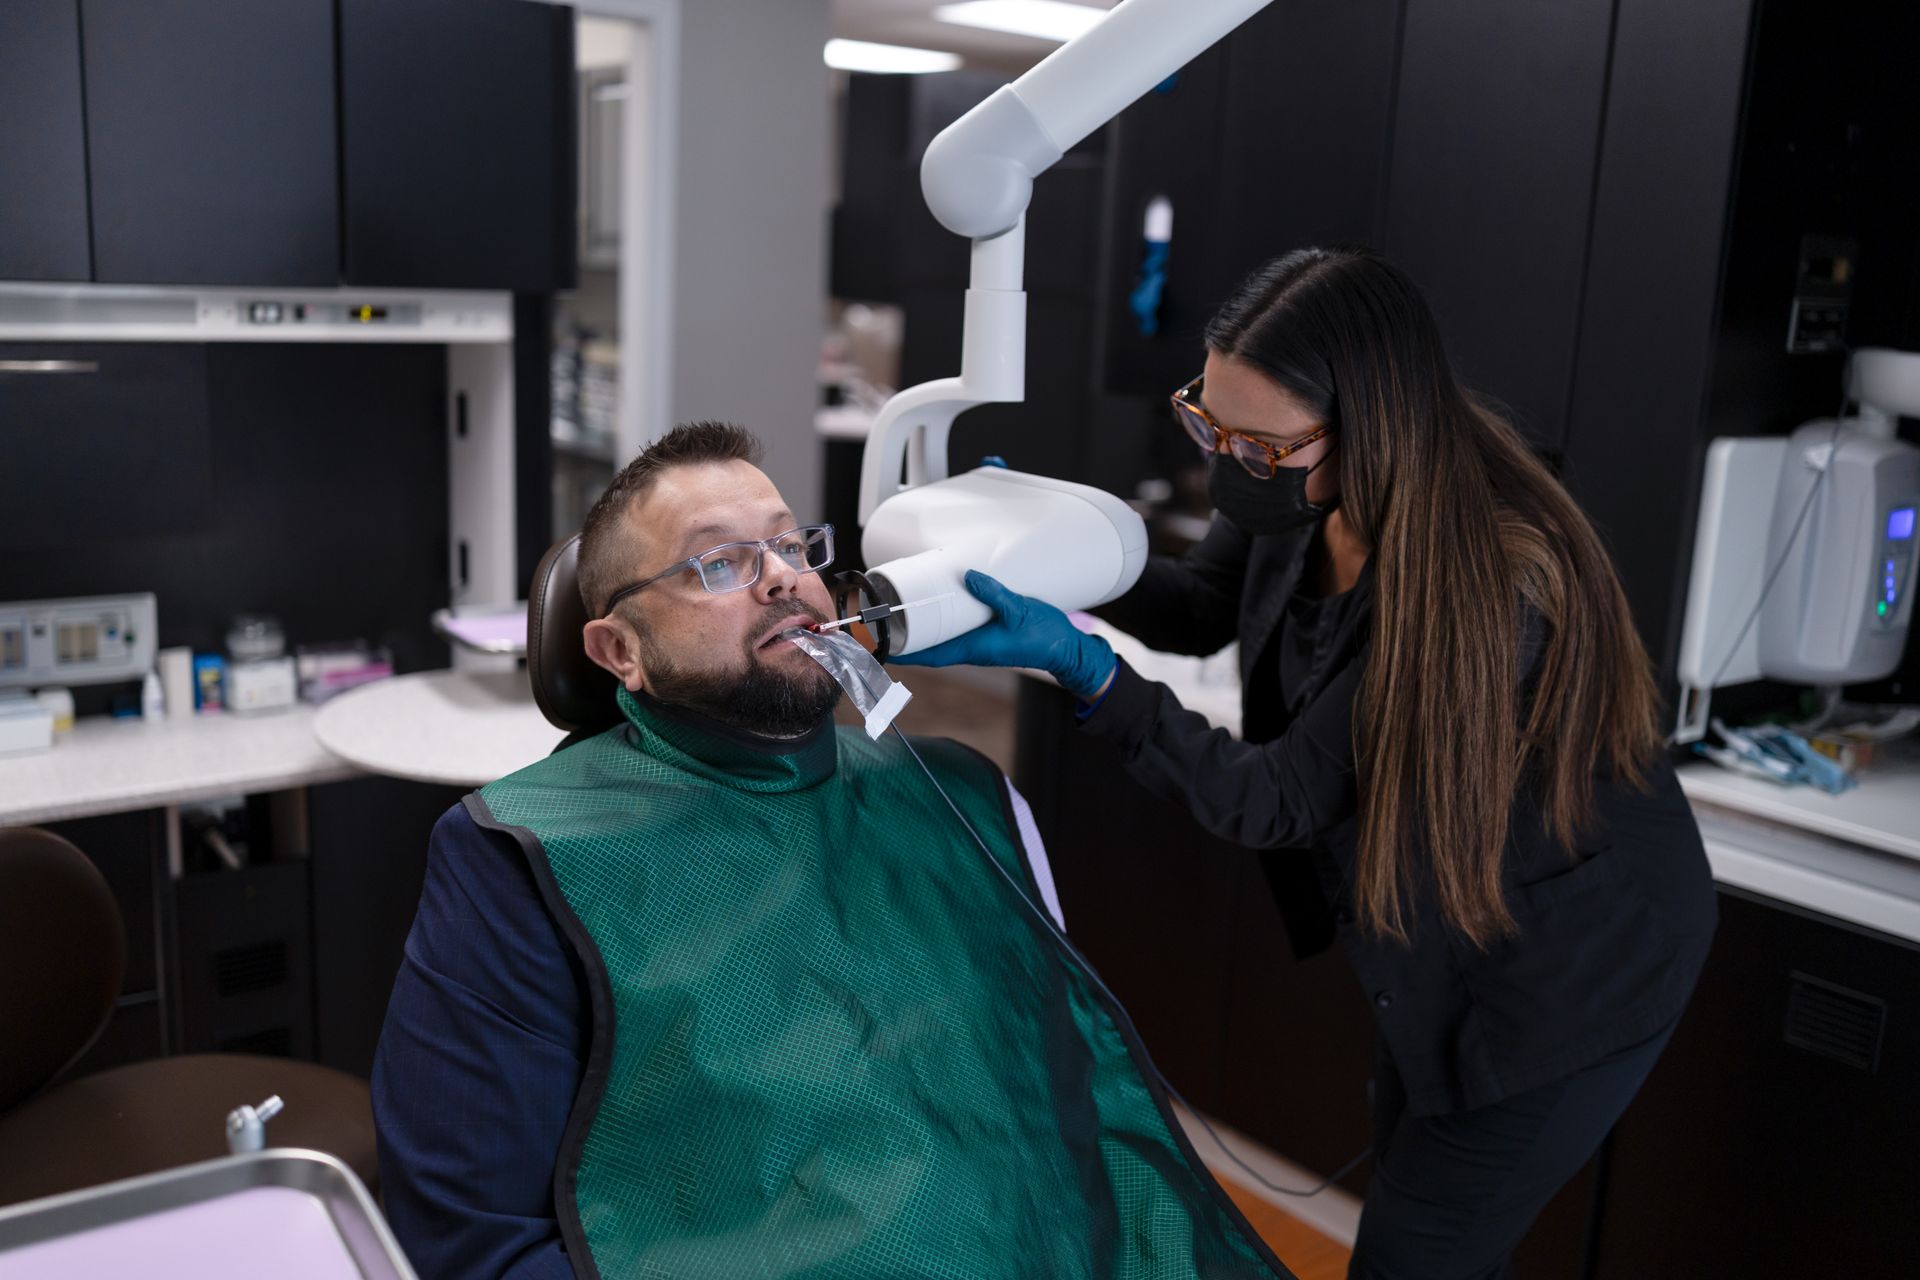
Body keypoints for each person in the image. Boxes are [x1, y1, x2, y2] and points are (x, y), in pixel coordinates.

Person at [894, 247, 1719, 1279]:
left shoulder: (1485, 588)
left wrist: (1082, 665)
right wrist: (1065, 551)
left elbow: (1276, 797)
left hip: (1569, 969)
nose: (1231, 462)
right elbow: (1201, 608)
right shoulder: (1303, 489)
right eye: (1211, 422)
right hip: (1446, 934)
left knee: (1418, 1250)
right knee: (1447, 1236)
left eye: (1260, 446)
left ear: (1366, 430)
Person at [372, 423, 1297, 1280]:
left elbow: (1077, 1121)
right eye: (719, 564)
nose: (782, 577)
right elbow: (476, 1243)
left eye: (790, 545)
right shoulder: (524, 861)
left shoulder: (962, 796)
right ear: (620, 650)